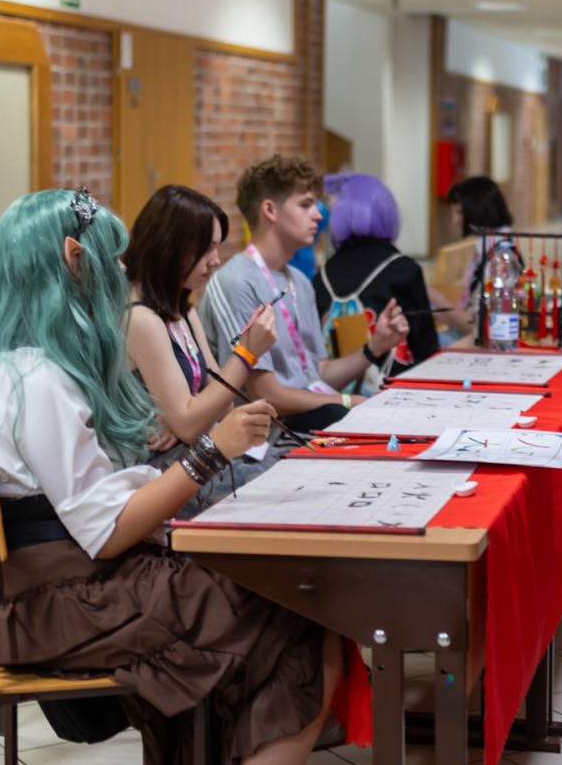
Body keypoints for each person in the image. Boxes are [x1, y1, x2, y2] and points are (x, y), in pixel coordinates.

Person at [0, 188, 354, 765]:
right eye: (111, 260)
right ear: (73, 261)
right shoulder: (38, 379)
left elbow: (91, 498)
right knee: (300, 619)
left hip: (70, 583)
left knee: (272, 599)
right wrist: (207, 454)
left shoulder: (22, 363)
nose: (121, 273)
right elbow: (105, 531)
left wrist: (165, 464)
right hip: (70, 603)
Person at [199, 155, 407, 433]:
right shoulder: (237, 282)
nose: (318, 215)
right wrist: (346, 400)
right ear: (270, 210)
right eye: (306, 205)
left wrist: (375, 347)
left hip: (305, 420)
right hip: (267, 435)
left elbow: (318, 376)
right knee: (346, 414)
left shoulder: (299, 281)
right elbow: (266, 396)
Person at [124, 184, 280, 516]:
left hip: (195, 452)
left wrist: (189, 414)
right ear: (171, 246)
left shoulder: (182, 311)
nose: (216, 261)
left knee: (286, 470)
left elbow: (220, 401)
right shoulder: (140, 319)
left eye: (217, 247)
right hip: (163, 473)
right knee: (272, 493)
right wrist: (246, 354)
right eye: (206, 249)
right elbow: (190, 422)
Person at [314, 173, 439, 375]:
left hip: (335, 386)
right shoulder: (403, 270)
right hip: (393, 385)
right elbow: (426, 349)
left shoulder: (322, 276)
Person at [431, 174, 514, 339]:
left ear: (479, 210)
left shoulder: (500, 259)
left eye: (460, 212)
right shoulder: (485, 248)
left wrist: (436, 298)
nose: (455, 221)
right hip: (465, 334)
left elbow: (478, 326)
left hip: (478, 341)